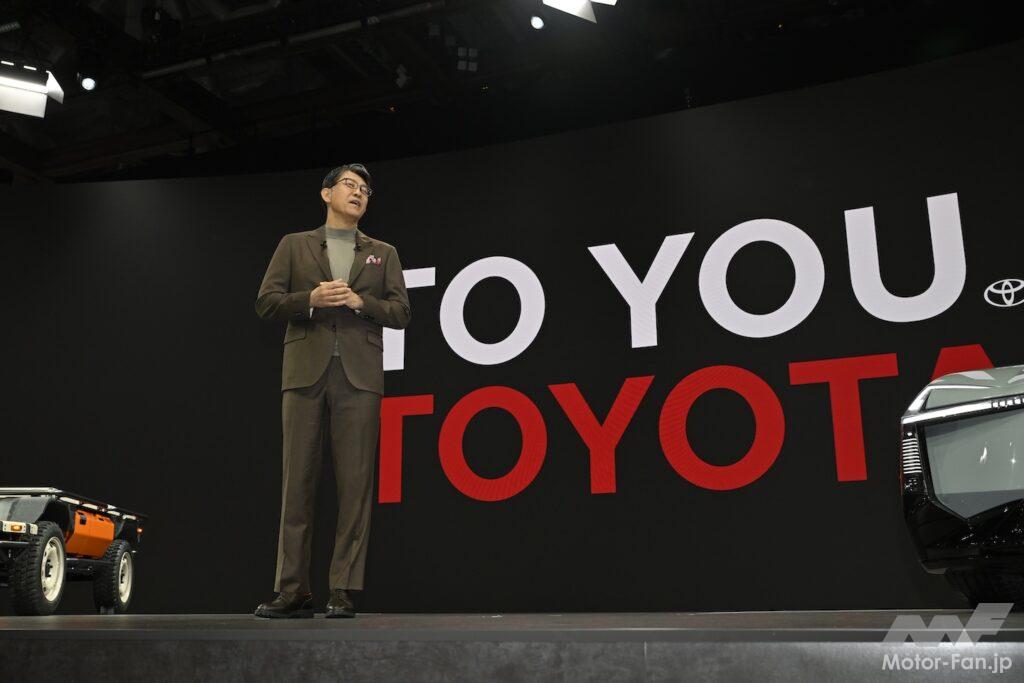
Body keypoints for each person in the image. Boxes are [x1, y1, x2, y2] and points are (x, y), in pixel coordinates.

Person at [253, 163, 411, 618]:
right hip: (305, 372)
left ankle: (342, 588)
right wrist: (310, 300)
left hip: (360, 376)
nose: (358, 193)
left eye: (365, 189)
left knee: (356, 485)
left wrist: (362, 302)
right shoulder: (294, 244)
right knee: (296, 483)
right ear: (326, 193)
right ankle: (292, 589)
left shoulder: (383, 252)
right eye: (349, 185)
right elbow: (266, 302)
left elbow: (401, 312)